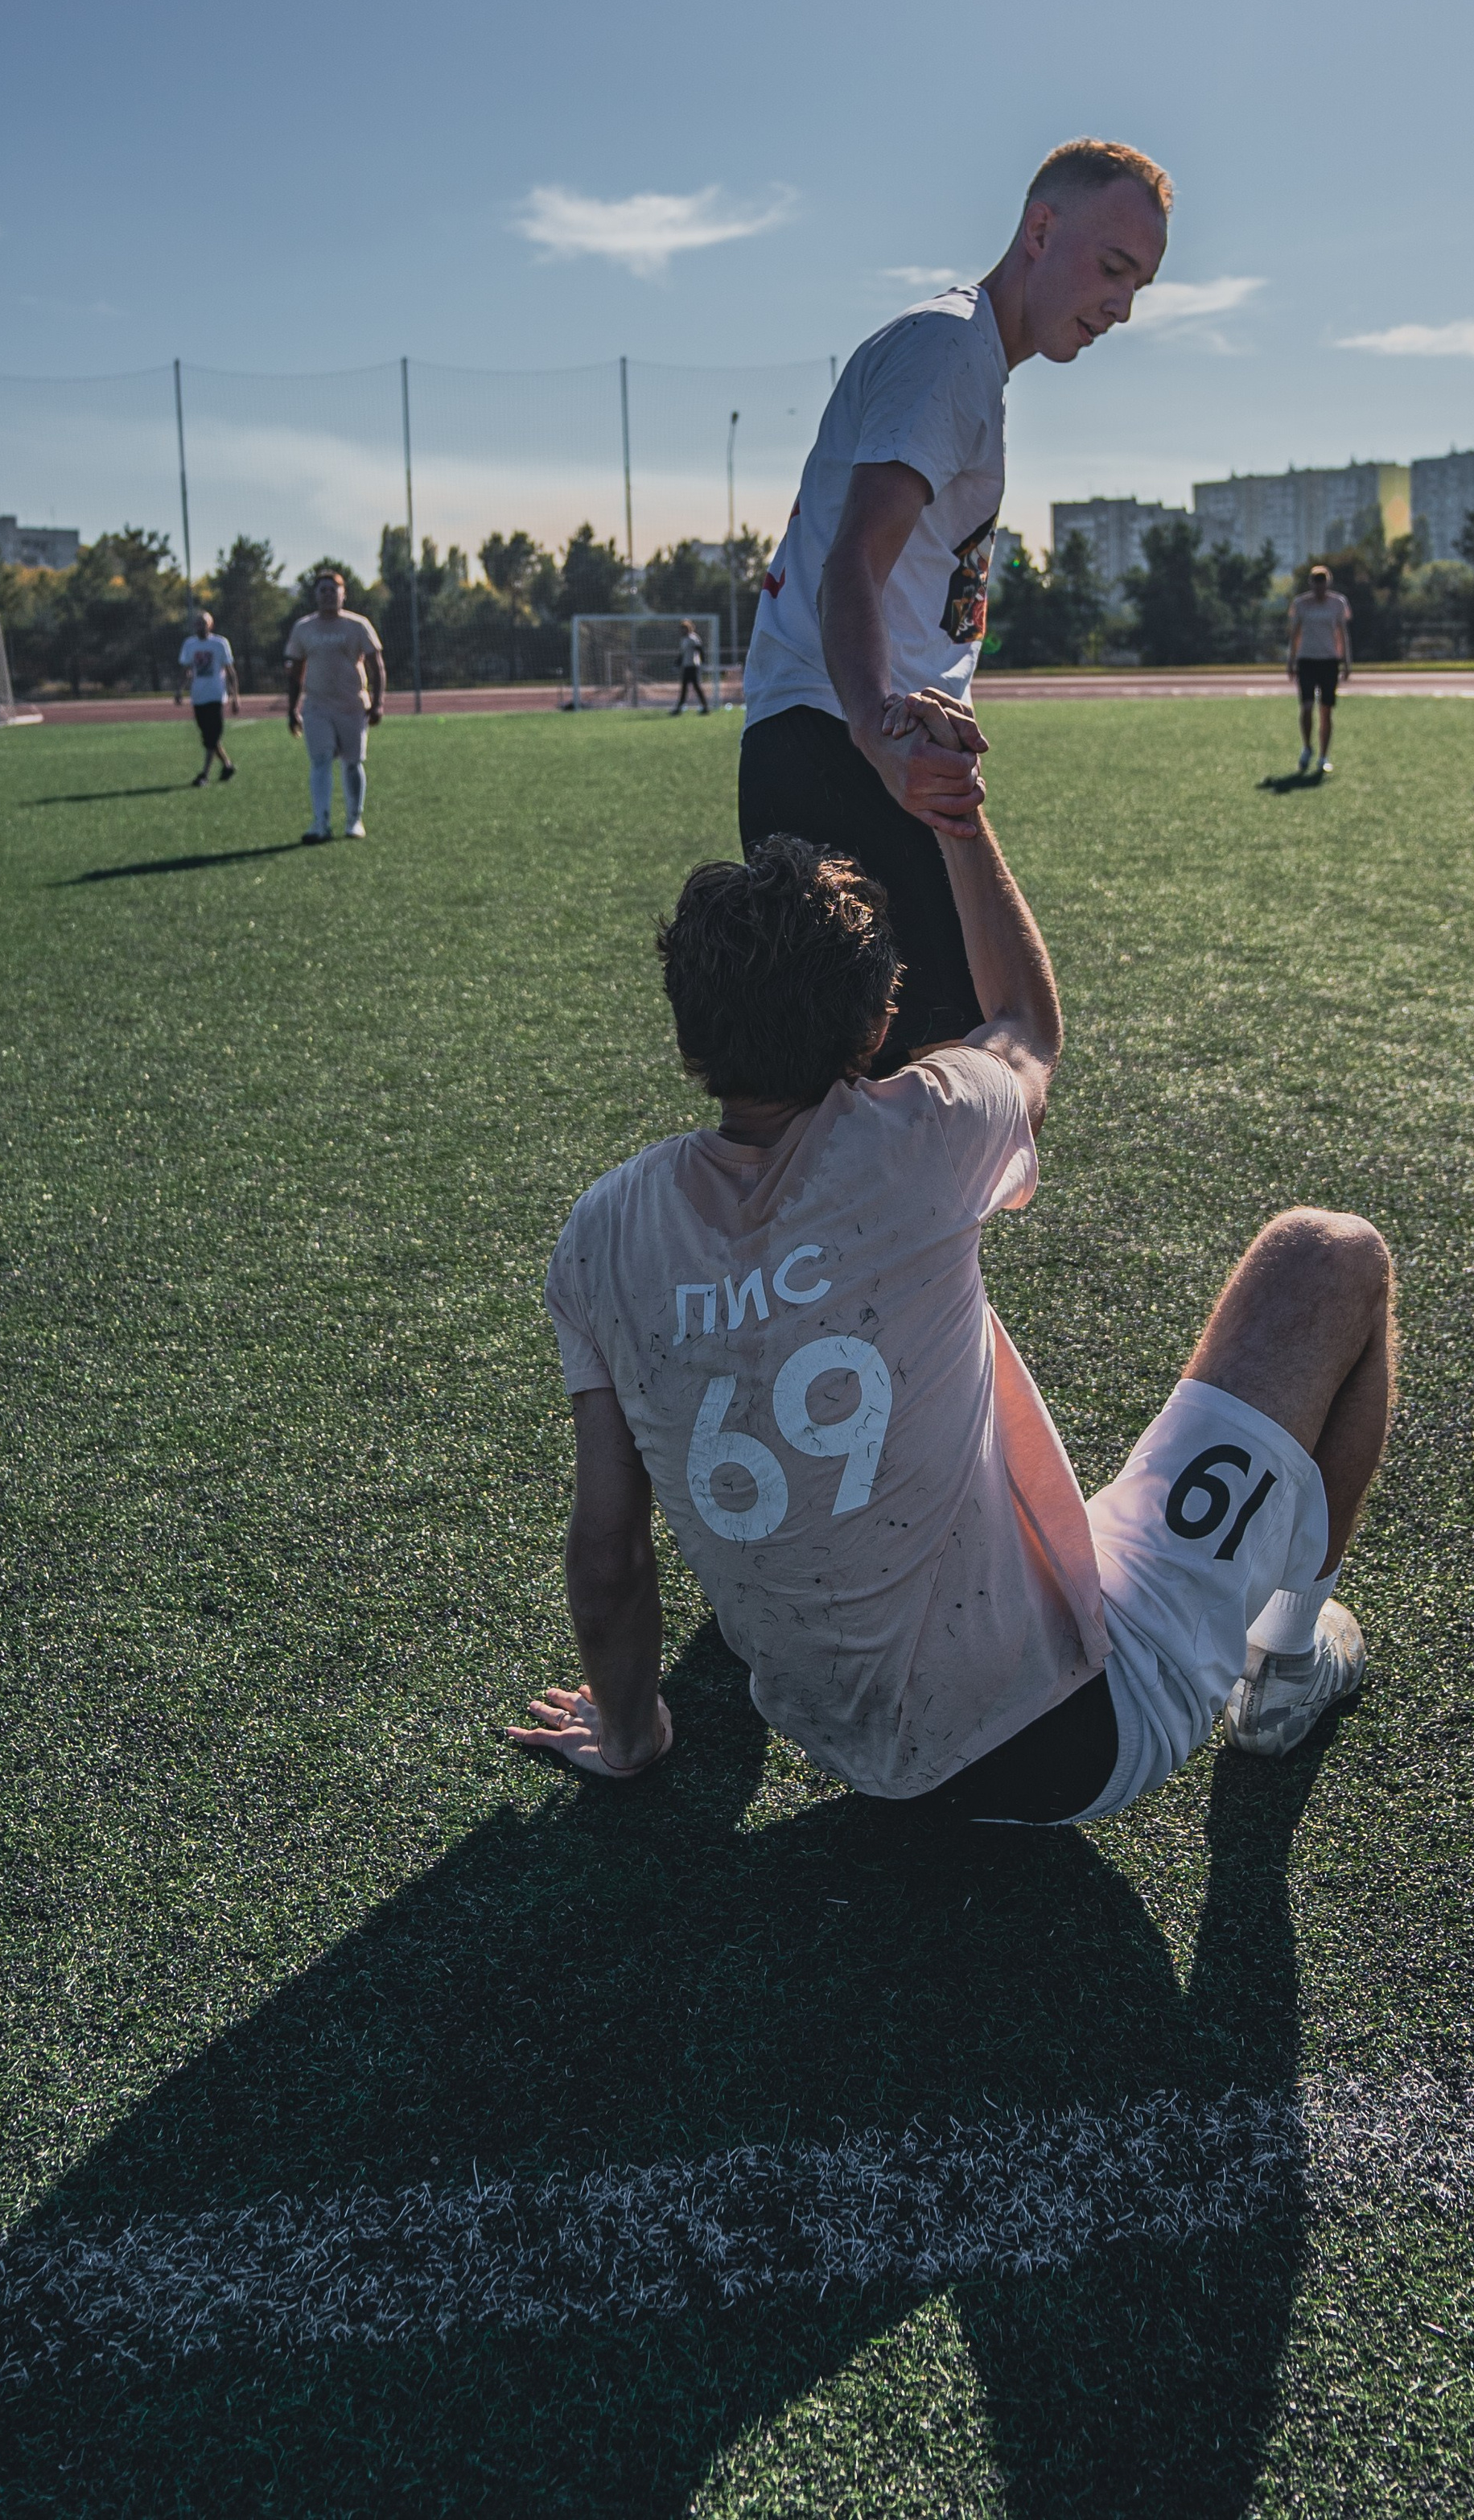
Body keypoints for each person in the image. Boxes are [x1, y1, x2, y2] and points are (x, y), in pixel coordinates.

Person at [511, 772, 1391, 1818]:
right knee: (1331, 1253)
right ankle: (1289, 1663)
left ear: (688, 1032)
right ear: (877, 1025)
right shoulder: (920, 1131)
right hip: (1078, 1735)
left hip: (852, 1750)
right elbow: (1026, 1022)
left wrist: (629, 1736)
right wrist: (959, 819)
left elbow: (608, 1549)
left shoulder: (603, 1231)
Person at [737, 140, 1171, 1066]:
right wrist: (877, 736)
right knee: (951, 1083)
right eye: (1111, 268)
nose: (1121, 306)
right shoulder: (948, 348)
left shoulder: (966, 354)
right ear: (1039, 229)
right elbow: (852, 559)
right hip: (842, 747)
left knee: (887, 1093)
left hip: (843, 745)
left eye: (1140, 285)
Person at [284, 570, 385, 843]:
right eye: (323, 590)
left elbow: (377, 665)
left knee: (353, 763)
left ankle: (354, 820)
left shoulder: (358, 625)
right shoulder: (303, 627)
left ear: (343, 594)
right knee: (320, 761)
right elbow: (295, 670)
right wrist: (292, 709)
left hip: (352, 705)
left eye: (333, 590)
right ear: (315, 595)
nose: (328, 594)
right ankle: (321, 823)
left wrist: (377, 703)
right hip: (317, 706)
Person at [1286, 562, 1353, 776]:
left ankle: (1324, 756)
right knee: (1306, 707)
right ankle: (1307, 747)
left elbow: (1342, 632)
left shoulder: (1338, 603)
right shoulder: (1301, 604)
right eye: (1316, 585)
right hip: (1307, 660)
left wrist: (1346, 661)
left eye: (1323, 585)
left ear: (1328, 584)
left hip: (1329, 661)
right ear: (1311, 585)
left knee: (1326, 710)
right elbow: (1295, 633)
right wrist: (1291, 660)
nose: (1320, 589)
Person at [175, 606, 238, 784]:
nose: (200, 627)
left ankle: (204, 774)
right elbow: (186, 670)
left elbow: (230, 671)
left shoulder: (220, 643)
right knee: (208, 737)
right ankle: (227, 765)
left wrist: (235, 698)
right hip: (199, 696)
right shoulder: (189, 644)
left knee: (213, 735)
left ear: (211, 625)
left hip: (216, 695)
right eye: (198, 624)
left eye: (204, 623)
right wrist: (179, 690)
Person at [673, 619, 710, 715]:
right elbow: (683, 654)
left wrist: (703, 662)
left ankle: (705, 707)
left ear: (689, 628)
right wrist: (677, 663)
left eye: (684, 629)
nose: (682, 631)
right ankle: (679, 708)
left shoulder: (693, 638)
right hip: (686, 666)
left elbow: (700, 650)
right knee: (685, 687)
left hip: (693, 666)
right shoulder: (684, 639)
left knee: (695, 687)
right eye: (681, 629)